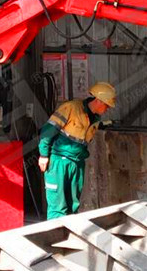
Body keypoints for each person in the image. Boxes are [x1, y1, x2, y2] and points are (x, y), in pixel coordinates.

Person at [38, 82, 116, 219]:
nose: (108, 108)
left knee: (72, 206)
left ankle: (68, 232)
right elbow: (48, 131)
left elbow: (85, 130)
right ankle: (56, 232)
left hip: (77, 162)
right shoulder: (71, 108)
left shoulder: (94, 119)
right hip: (59, 162)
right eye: (107, 105)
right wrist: (44, 155)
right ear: (98, 100)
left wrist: (107, 124)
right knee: (58, 207)